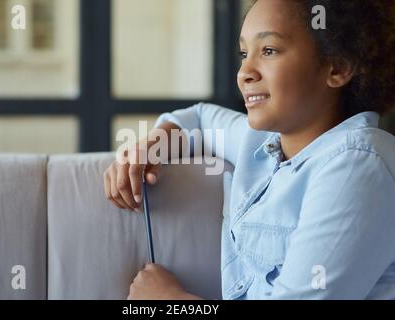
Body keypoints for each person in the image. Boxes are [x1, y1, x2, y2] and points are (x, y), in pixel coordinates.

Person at [103, 0, 395, 300]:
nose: (245, 72)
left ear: (338, 67)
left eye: (268, 50)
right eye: (244, 53)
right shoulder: (261, 140)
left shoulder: (358, 164)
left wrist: (169, 301)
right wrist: (151, 145)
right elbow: (199, 119)